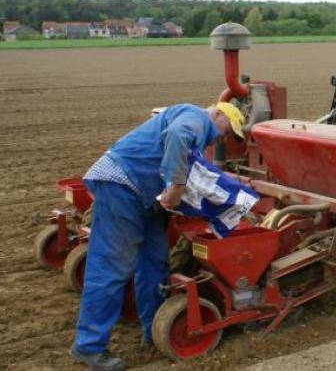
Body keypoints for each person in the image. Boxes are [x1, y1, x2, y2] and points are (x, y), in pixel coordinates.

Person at [70, 102, 245, 371]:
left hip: (146, 197)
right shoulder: (198, 118)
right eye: (228, 129)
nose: (225, 137)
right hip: (122, 185)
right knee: (111, 267)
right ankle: (88, 347)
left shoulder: (197, 133)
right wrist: (176, 187)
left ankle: (153, 328)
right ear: (218, 114)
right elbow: (178, 135)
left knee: (154, 262)